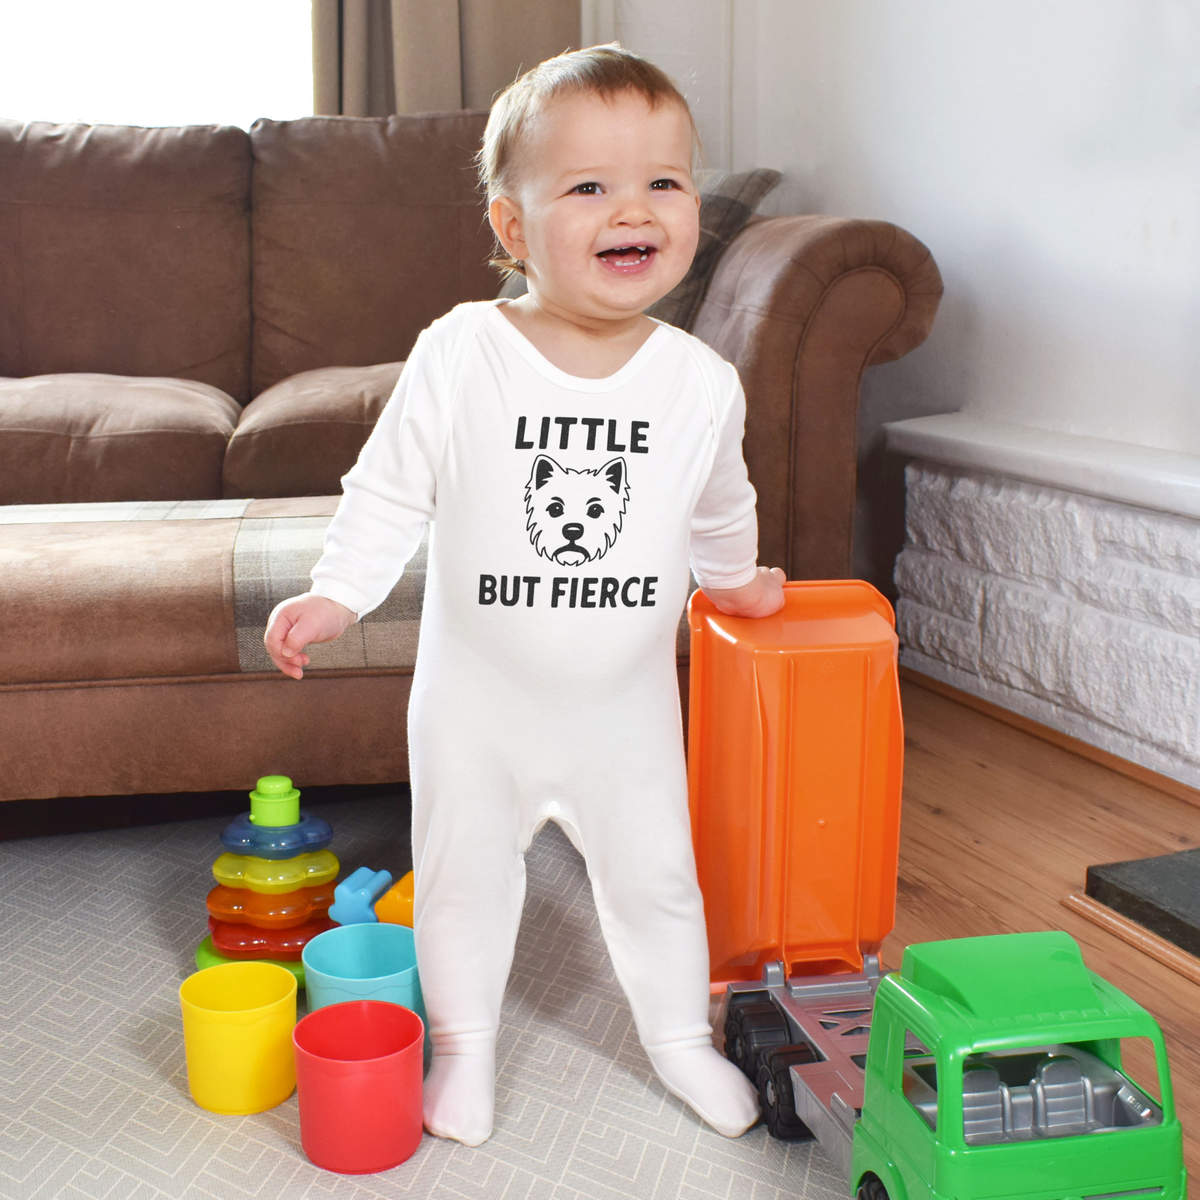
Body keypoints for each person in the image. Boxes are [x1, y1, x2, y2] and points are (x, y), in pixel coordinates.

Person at [264, 44, 785, 1147]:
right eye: (589, 185)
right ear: (513, 226)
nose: (632, 208)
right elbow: (389, 486)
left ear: (693, 210)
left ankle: (679, 1040)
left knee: (658, 879)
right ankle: (464, 1049)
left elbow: (717, 508)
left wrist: (740, 584)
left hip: (625, 709)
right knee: (462, 879)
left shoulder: (701, 383)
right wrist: (338, 592)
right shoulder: (464, 352)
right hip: (475, 706)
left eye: (664, 181)